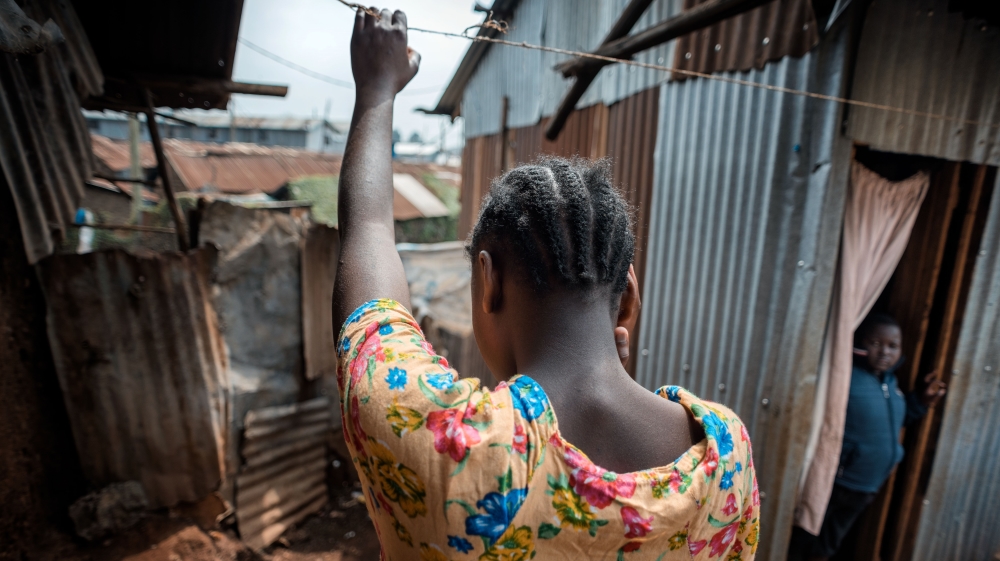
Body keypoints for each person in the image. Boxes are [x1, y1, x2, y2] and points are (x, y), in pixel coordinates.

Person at [333, 7, 759, 560]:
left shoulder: (443, 444)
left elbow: (368, 239)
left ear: (488, 282)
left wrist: (376, 91)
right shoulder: (727, 458)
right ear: (628, 299)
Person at [787, 313, 947, 561]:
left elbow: (895, 421)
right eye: (875, 343)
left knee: (829, 544)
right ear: (858, 344)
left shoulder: (890, 383)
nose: (885, 352)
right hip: (837, 482)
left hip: (867, 486)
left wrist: (921, 401)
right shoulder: (847, 379)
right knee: (802, 538)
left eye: (893, 346)